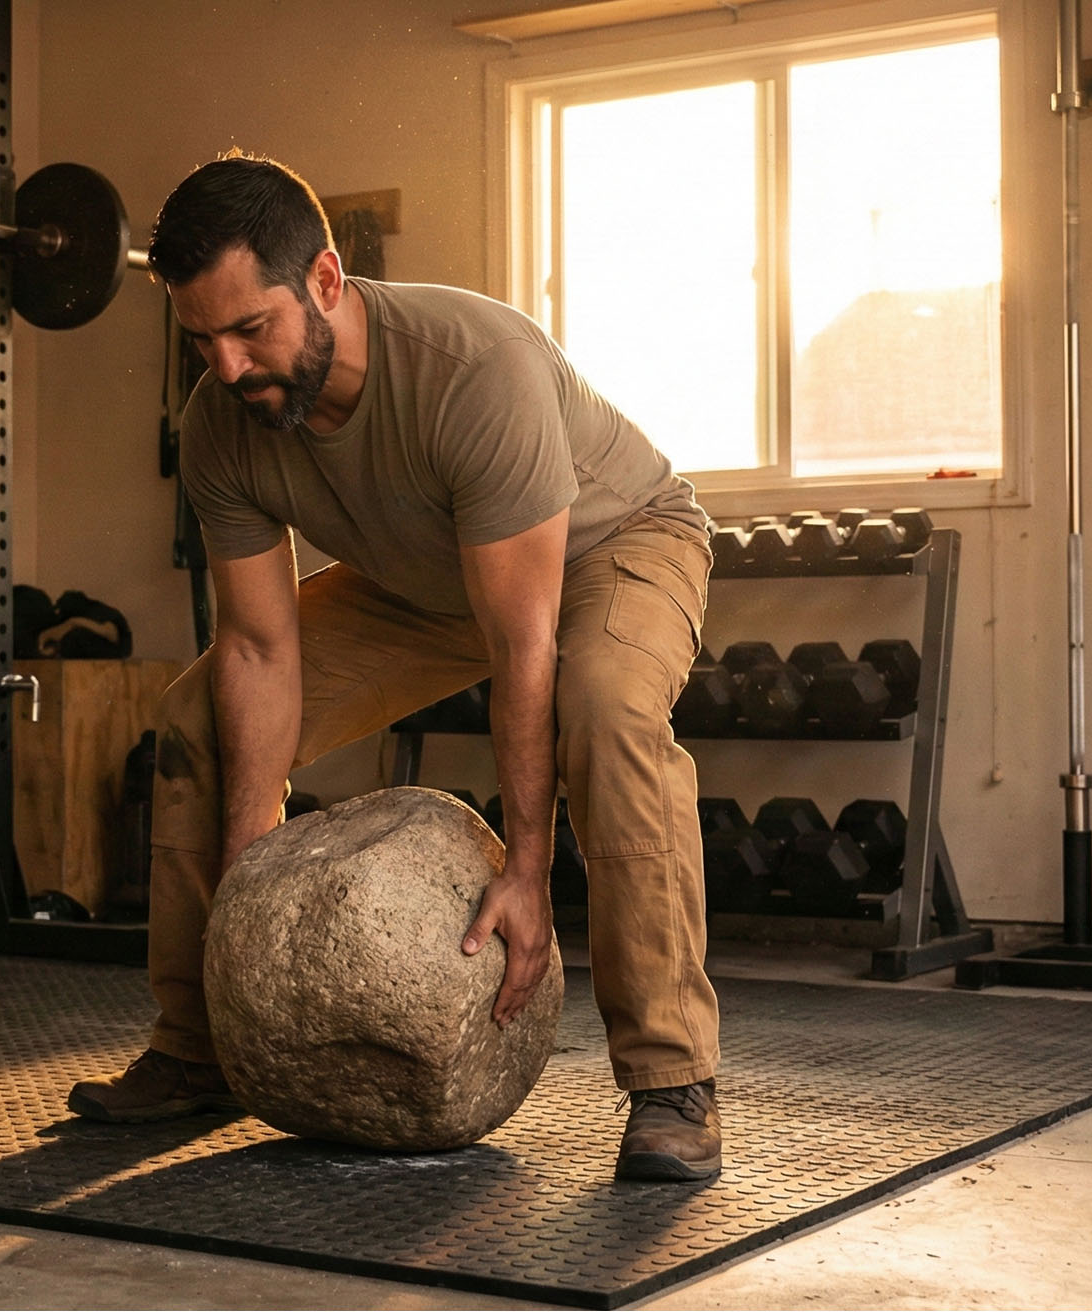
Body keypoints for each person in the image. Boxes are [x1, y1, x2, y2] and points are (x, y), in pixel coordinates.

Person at [67, 153, 722, 1182]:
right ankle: (200, 1049)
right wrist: (248, 875)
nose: (229, 366)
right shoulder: (219, 424)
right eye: (202, 339)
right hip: (424, 580)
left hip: (612, 549)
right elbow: (256, 645)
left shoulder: (475, 371)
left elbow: (523, 647)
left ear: (326, 281)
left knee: (602, 708)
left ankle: (670, 1076)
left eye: (252, 329)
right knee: (196, 714)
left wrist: (525, 870)